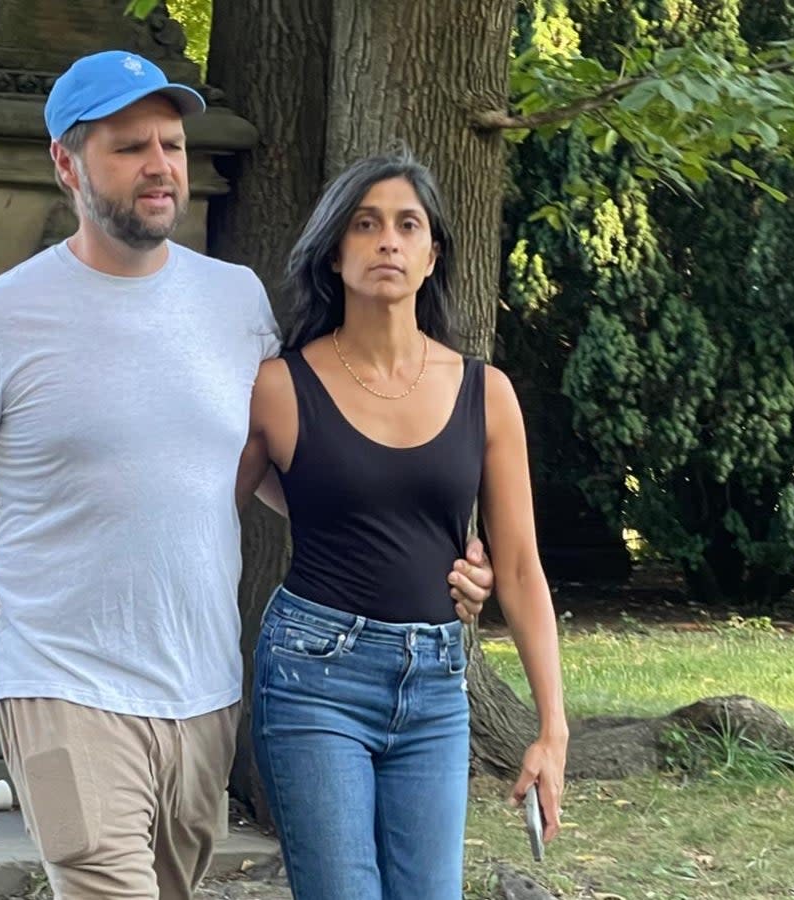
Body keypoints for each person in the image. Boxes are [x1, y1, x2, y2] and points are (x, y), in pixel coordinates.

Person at [0, 50, 493, 900]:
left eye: (172, 143)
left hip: (201, 689)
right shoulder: (1, 315)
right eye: (129, 147)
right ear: (66, 162)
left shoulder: (235, 302)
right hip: (63, 678)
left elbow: (294, 476)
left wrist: (439, 554)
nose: (161, 164)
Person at [236, 150, 569, 900]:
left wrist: (552, 728)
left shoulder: (487, 393)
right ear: (334, 252)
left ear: (431, 256)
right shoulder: (280, 388)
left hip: (437, 687)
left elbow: (518, 569)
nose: (387, 240)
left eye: (406, 225)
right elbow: (194, 514)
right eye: (365, 224)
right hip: (313, 679)